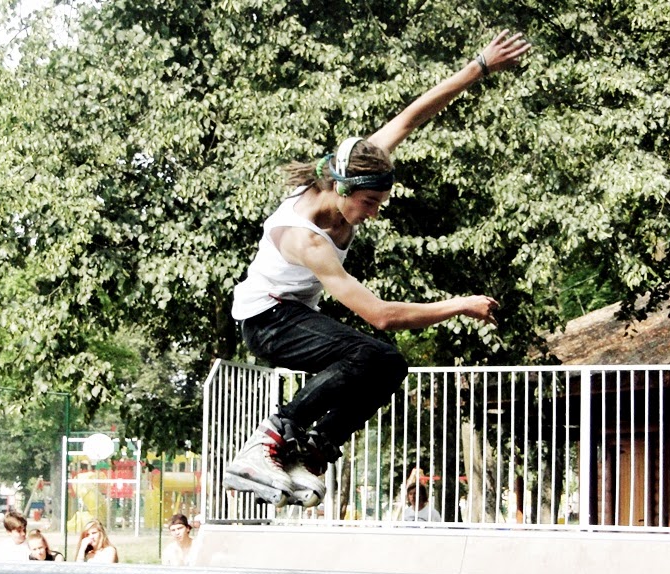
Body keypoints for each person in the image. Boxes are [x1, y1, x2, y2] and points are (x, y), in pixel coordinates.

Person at [223, 30, 531, 508]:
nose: (373, 212)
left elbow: (411, 116)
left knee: (390, 364)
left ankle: (311, 451)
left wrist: (481, 66)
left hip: (292, 315)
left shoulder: (356, 164)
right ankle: (269, 439)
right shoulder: (304, 239)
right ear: (342, 190)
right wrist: (458, 305)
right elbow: (382, 316)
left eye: (380, 202)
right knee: (368, 352)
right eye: (369, 203)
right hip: (266, 321)